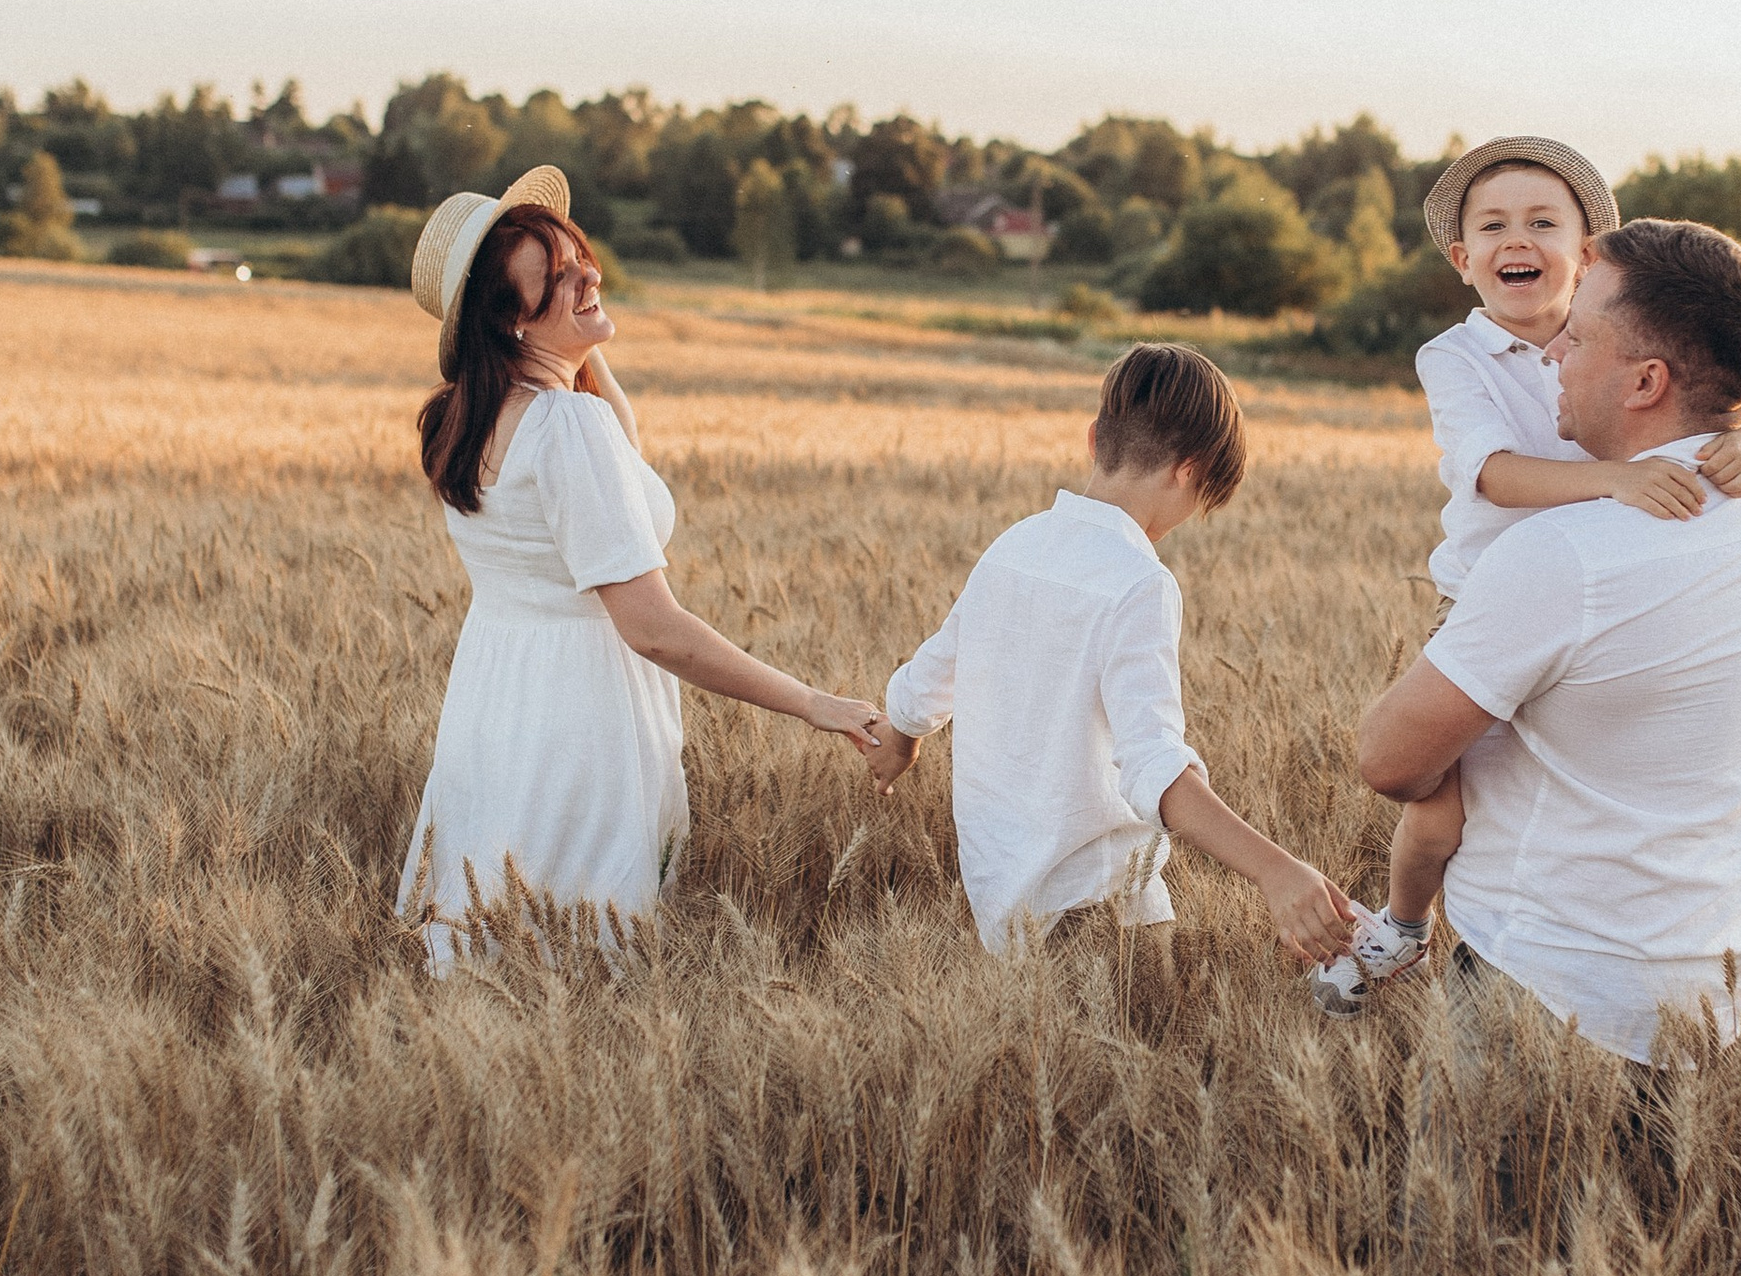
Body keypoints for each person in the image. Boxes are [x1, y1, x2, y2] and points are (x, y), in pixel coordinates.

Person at [1352, 216, 1741, 1105]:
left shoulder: (1564, 554)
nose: (1553, 353)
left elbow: (1389, 758)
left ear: (1647, 380)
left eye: (1580, 335)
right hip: (1700, 994)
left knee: (1468, 1246)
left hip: (1540, 988)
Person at [1313, 135, 1741, 1013]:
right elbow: (1489, 473)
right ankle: (1404, 926)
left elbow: (1703, 394)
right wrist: (1615, 480)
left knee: (1551, 794)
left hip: (1602, 603)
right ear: (1463, 259)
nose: (1516, 238)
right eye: (1492, 226)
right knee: (1441, 814)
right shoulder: (1455, 357)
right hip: (1485, 600)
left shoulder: (1612, 337)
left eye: (1542, 221)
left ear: (1587, 253)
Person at [397, 167, 882, 970]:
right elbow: (654, 629)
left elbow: (617, 436)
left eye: (579, 253)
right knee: (586, 957)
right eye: (556, 279)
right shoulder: (564, 427)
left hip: (497, 703)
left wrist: (581, 328)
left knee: (499, 943)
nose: (588, 272)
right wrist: (813, 703)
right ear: (510, 323)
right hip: (584, 716)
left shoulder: (469, 418)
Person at [866, 340, 1354, 973]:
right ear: (1190, 470)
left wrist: (901, 740)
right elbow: (1152, 769)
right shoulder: (1139, 582)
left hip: (999, 896)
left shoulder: (1014, 544)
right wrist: (1277, 870)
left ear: (1095, 437)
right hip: (1103, 902)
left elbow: (930, 677)